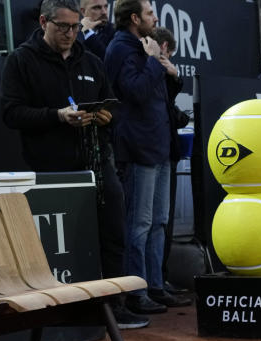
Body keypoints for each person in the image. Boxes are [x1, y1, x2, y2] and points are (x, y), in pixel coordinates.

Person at [1, 0, 148, 330]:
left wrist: (106, 117)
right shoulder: (21, 60)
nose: (70, 34)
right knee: (57, 246)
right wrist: (57, 116)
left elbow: (115, 106)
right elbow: (11, 112)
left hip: (96, 162)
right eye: (63, 27)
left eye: (75, 27)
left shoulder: (92, 61)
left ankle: (113, 306)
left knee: (113, 232)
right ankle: (57, 312)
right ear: (43, 21)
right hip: (50, 170)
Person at [105, 0, 185, 314]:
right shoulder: (121, 48)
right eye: (151, 13)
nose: (156, 17)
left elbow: (158, 95)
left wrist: (172, 74)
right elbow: (134, 92)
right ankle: (135, 292)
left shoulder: (146, 46)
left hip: (160, 145)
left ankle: (155, 284)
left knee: (159, 222)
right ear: (135, 17)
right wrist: (154, 62)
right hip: (139, 148)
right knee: (139, 223)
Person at [152, 26, 192, 301]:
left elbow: (170, 108)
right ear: (164, 47)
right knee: (150, 223)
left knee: (161, 222)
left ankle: (159, 279)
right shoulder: (148, 68)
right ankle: (150, 283)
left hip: (166, 150)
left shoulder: (165, 75)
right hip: (149, 151)